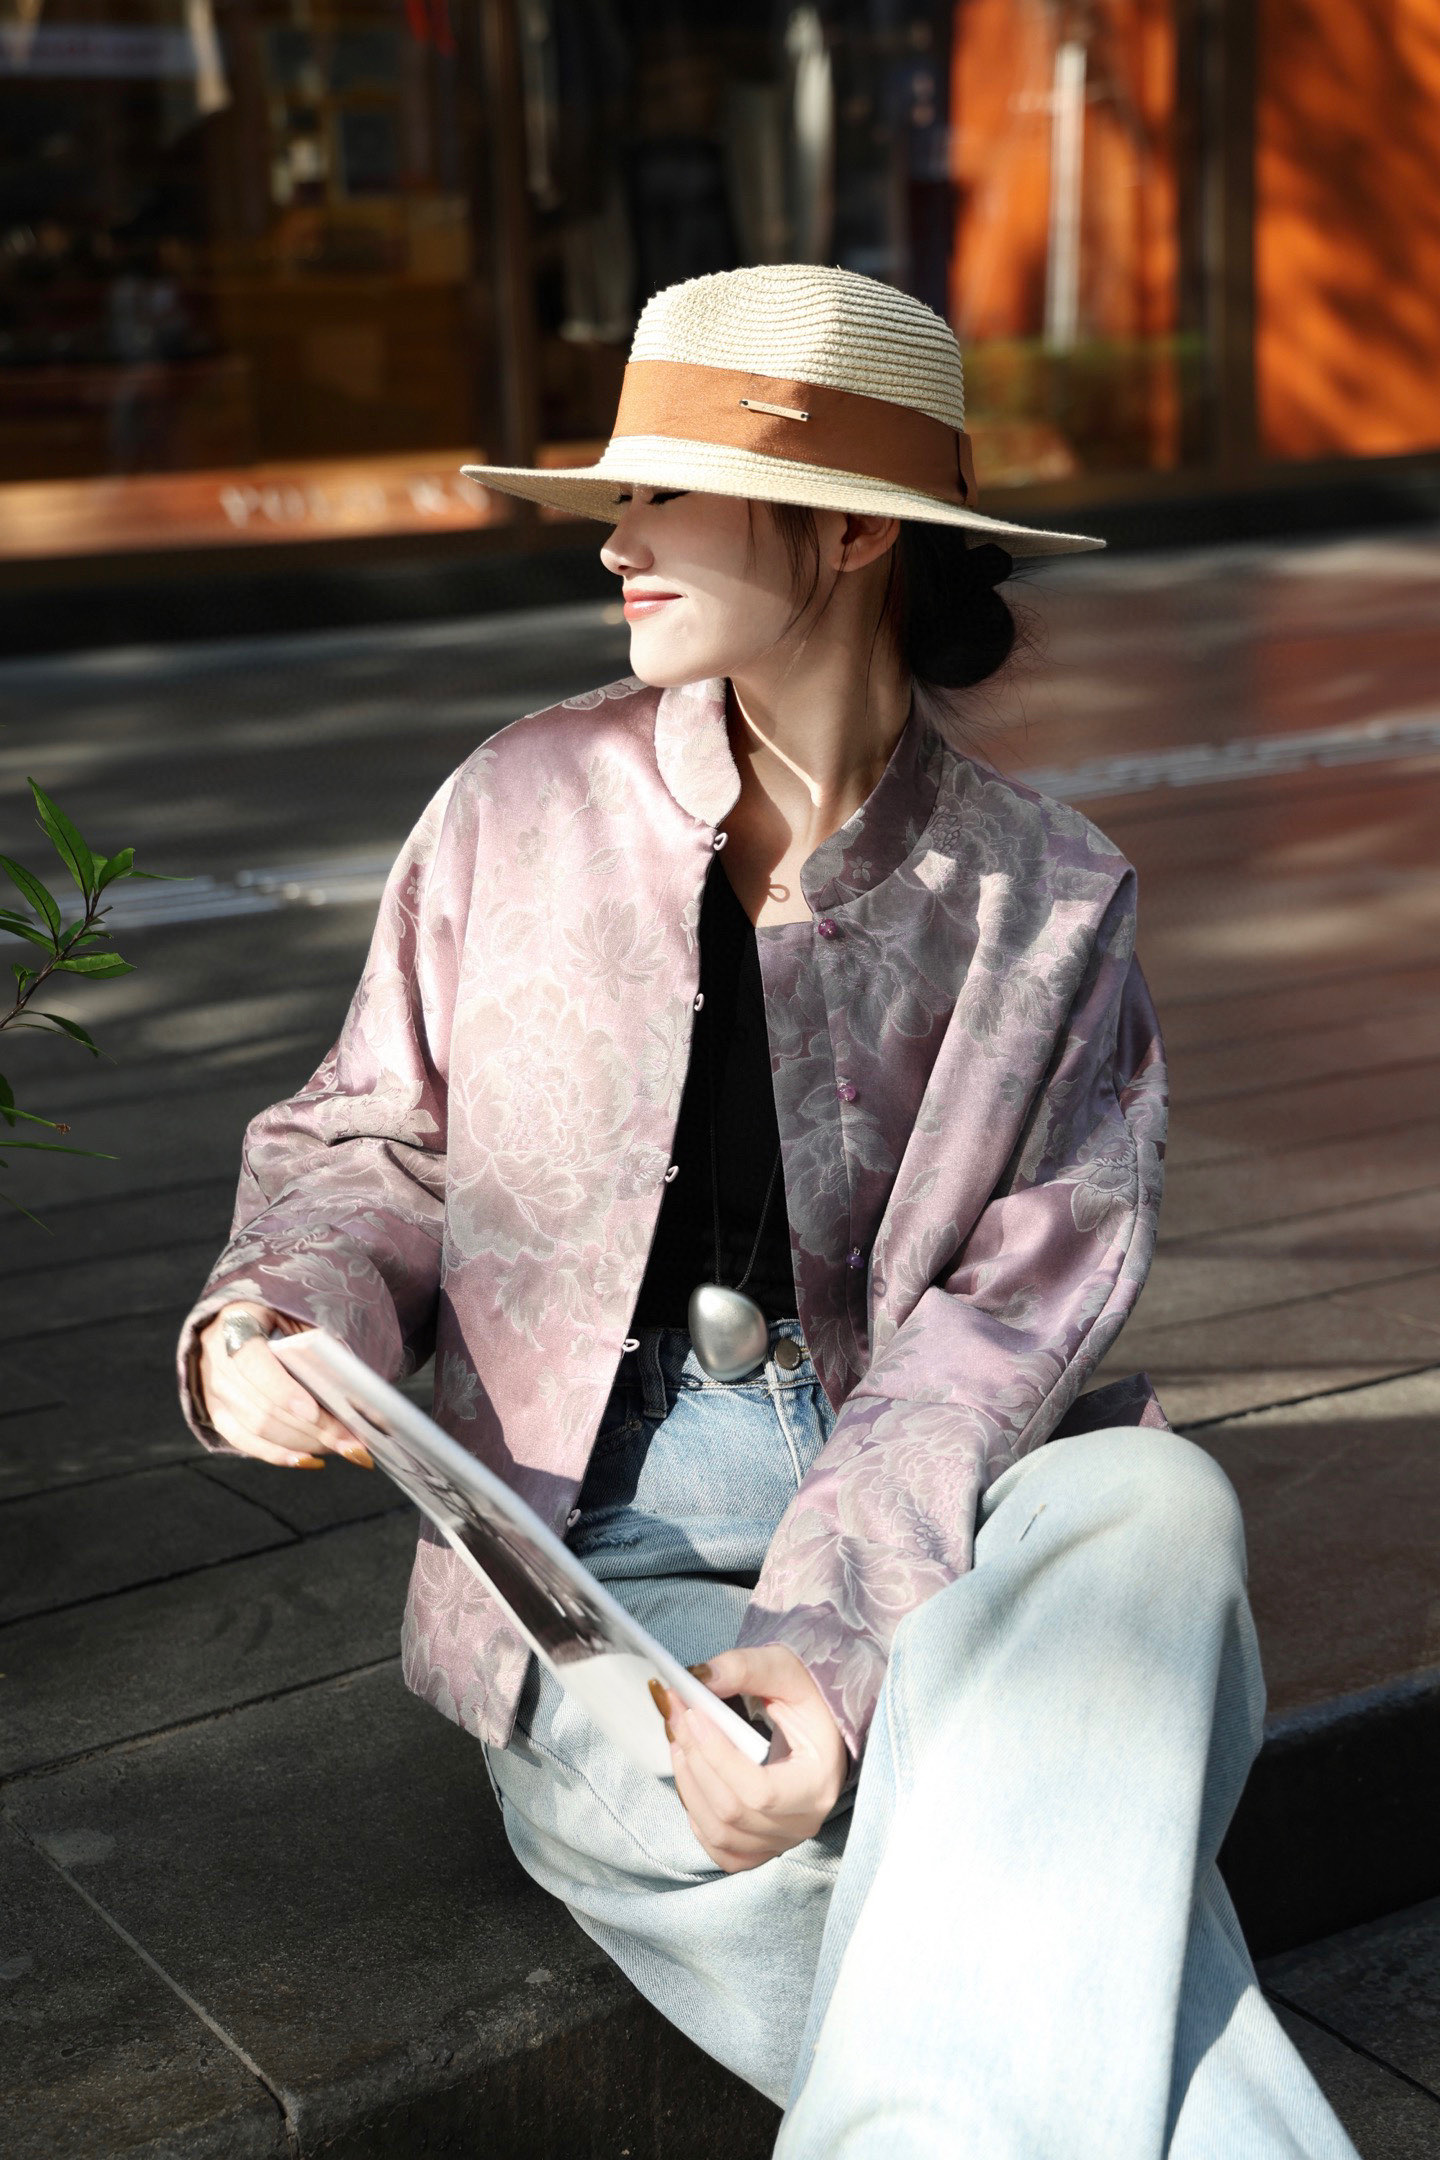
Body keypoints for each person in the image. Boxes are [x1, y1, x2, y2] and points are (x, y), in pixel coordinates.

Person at [177, 265, 1357, 2156]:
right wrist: (273, 1314)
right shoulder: (517, 804)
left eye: (663, 493)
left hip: (928, 1512)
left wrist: (835, 1651)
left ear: (852, 531)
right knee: (1005, 1863)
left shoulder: (1049, 897)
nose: (614, 543)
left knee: (1155, 1505)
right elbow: (374, 1143)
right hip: (594, 1545)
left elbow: (1004, 1335)